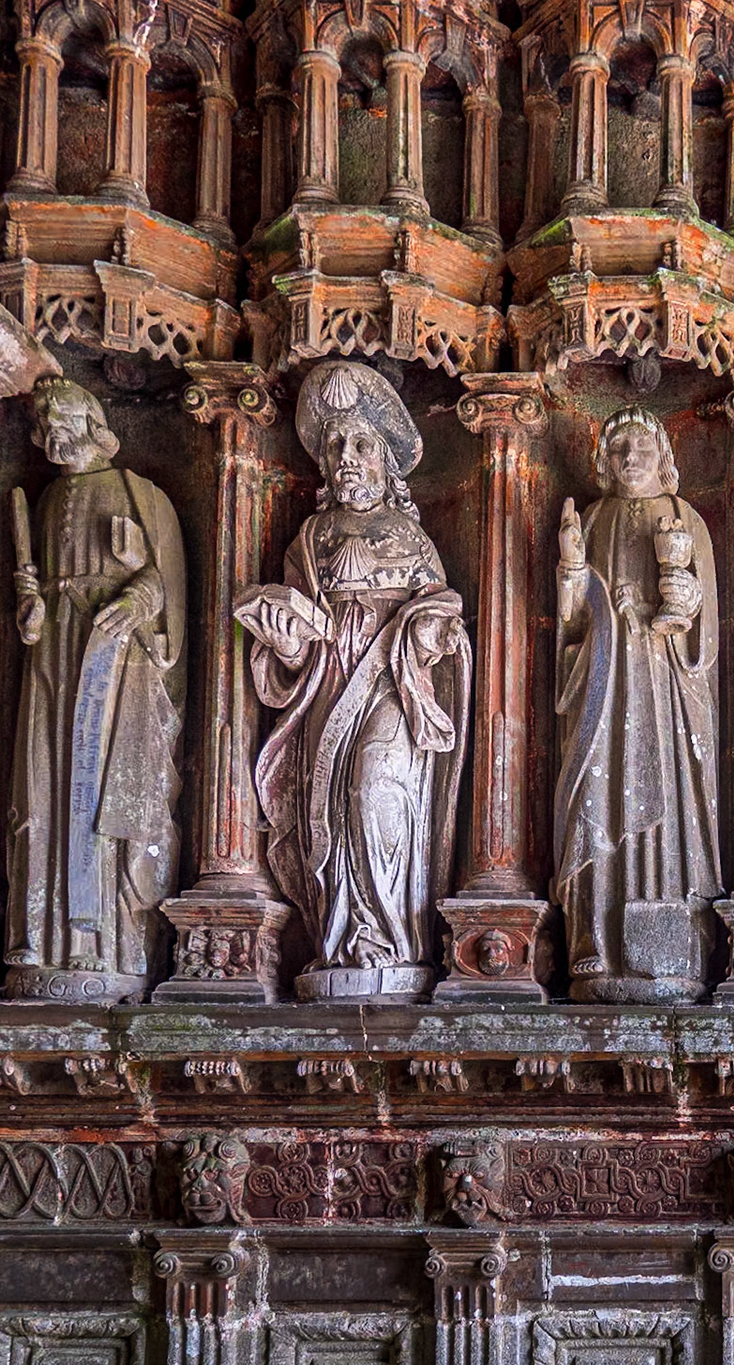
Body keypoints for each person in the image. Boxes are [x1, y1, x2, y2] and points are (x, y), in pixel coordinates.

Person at [237, 360, 470, 1001]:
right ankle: (341, 937)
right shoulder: (311, 537)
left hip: (391, 686)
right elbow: (292, 641)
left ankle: (392, 936)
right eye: (335, 444)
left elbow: (441, 611)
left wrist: (423, 628)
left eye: (360, 443)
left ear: (386, 462)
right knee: (330, 811)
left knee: (377, 794)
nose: (346, 456)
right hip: (328, 684)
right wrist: (286, 637)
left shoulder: (410, 536)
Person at [7, 377, 185, 1003]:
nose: (51, 431)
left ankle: (108, 944)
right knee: (44, 789)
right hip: (54, 654)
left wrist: (141, 591)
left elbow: (168, 589)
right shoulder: (48, 498)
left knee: (105, 786)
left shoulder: (142, 494)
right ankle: (38, 937)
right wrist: (32, 606)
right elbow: (37, 589)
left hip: (118, 664)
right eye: (43, 424)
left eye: (61, 418)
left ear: (92, 421)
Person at [553, 407, 721, 1003]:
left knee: (666, 799)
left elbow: (704, 633)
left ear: (664, 455)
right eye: (618, 444)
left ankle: (669, 944)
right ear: (604, 460)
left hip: (661, 683)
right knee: (595, 794)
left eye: (641, 443)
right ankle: (592, 941)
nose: (630, 455)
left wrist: (680, 602)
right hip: (605, 683)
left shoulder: (684, 518)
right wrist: (573, 566)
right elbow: (570, 622)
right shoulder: (593, 518)